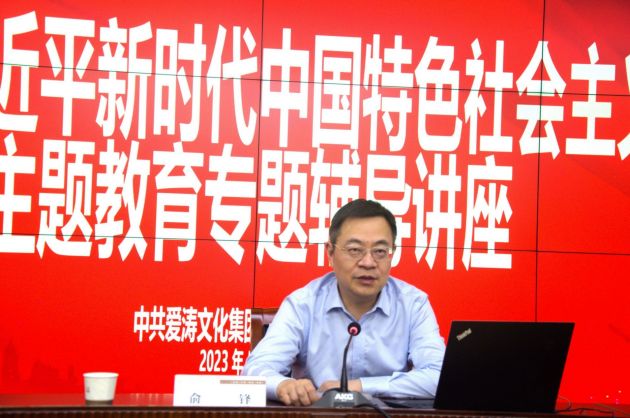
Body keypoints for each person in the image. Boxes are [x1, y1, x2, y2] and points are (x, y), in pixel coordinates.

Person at [243, 199, 445, 406]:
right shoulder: (303, 305)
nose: (368, 263)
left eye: (380, 251)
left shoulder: (413, 305)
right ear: (330, 253)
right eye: (355, 250)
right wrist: (282, 385)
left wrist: (357, 387)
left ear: (392, 252)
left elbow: (439, 376)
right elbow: (255, 370)